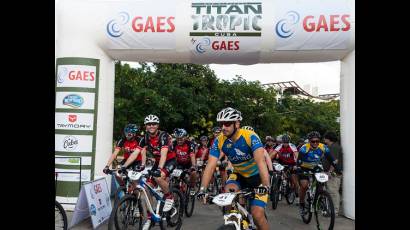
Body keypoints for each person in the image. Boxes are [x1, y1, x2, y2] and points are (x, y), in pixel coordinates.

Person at [197, 107, 270, 230]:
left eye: (227, 123)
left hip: (257, 178)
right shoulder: (219, 140)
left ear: (237, 124)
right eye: (221, 124)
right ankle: (235, 221)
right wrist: (202, 189)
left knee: (257, 214)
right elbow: (210, 165)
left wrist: (266, 185)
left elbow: (261, 162)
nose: (223, 127)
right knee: (228, 195)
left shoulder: (250, 137)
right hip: (239, 175)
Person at [120, 115, 176, 229]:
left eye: (154, 124)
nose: (151, 126)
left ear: (157, 125)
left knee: (158, 177)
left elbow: (164, 153)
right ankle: (150, 217)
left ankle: (169, 196)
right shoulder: (144, 138)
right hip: (157, 161)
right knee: (146, 189)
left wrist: (160, 169)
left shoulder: (163, 135)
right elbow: (135, 153)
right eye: (149, 124)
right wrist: (124, 166)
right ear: (145, 126)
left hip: (169, 160)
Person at [297, 131, 341, 216]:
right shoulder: (304, 148)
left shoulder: (323, 147)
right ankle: (301, 204)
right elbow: (299, 161)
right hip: (304, 167)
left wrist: (337, 169)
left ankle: (319, 197)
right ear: (309, 141)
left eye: (317, 141)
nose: (315, 143)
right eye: (313, 141)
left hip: (316, 167)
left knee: (321, 183)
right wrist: (298, 169)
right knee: (304, 185)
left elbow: (331, 159)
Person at [269, 134, 299, 198]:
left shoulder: (292, 146)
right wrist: (268, 161)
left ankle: (297, 192)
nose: (285, 144)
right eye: (284, 142)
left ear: (289, 142)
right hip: (283, 163)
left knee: (294, 180)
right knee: (280, 173)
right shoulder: (279, 146)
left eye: (287, 142)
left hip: (292, 163)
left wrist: (297, 165)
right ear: (282, 142)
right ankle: (280, 186)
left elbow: (297, 156)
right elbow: (272, 154)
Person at [323, 131, 343, 216]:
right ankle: (330, 210)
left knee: (333, 191)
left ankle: (334, 211)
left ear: (328, 138)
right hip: (330, 173)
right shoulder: (330, 146)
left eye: (325, 138)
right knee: (330, 191)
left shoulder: (334, 147)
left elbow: (335, 161)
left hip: (333, 174)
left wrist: (330, 172)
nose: (324, 139)